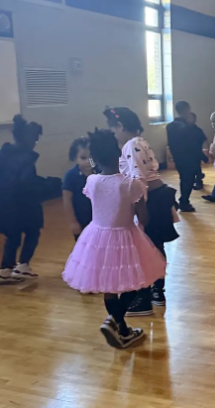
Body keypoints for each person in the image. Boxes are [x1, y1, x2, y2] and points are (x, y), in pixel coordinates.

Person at [62, 129, 166, 350]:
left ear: (95, 158)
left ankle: (122, 328)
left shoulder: (92, 181)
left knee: (109, 285)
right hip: (126, 235)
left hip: (98, 237)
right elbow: (143, 217)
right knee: (137, 282)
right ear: (119, 153)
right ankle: (115, 321)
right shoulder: (130, 184)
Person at [105, 106, 178, 313]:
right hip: (159, 196)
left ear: (120, 126)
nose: (114, 135)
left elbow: (139, 180)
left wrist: (140, 214)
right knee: (155, 246)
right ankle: (157, 291)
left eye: (113, 130)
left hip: (151, 200)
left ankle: (144, 297)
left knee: (145, 249)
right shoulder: (141, 141)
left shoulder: (130, 145)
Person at [0, 115, 46, 284]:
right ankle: (23, 265)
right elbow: (27, 184)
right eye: (35, 139)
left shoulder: (4, 153)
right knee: (33, 232)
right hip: (23, 206)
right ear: (30, 140)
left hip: (4, 204)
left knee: (13, 236)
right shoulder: (26, 159)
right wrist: (45, 186)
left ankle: (5, 269)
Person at [166, 101, 208, 211]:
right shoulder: (188, 128)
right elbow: (193, 145)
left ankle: (183, 201)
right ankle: (184, 202)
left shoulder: (170, 127)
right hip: (190, 159)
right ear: (187, 110)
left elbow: (171, 144)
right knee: (187, 181)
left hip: (178, 158)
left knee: (184, 179)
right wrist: (204, 157)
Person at [63, 137, 93, 240]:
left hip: (99, 221)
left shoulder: (100, 172)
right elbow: (67, 200)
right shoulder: (70, 176)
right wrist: (73, 222)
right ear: (75, 158)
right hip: (81, 220)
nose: (88, 161)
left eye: (91, 157)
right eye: (83, 158)